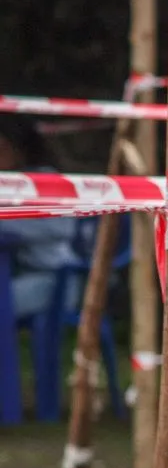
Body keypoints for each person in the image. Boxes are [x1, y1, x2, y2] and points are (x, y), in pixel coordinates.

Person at [0, 121, 81, 321]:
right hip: (18, 275)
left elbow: (62, 227)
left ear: (20, 150)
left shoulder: (44, 179)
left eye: (1, 150)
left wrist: (7, 225)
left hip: (54, 280)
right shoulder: (8, 181)